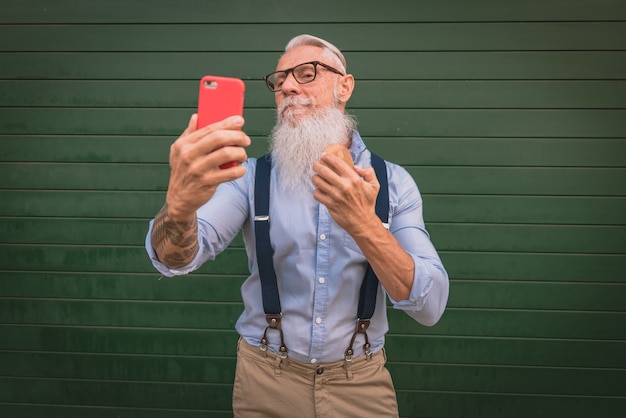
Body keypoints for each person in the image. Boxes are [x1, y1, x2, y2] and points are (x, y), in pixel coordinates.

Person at [146, 34, 449, 418]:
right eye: (280, 79)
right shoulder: (248, 178)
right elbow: (174, 258)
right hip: (266, 380)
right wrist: (179, 207)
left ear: (345, 85)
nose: (287, 86)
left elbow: (430, 305)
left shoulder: (395, 183)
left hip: (361, 385)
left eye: (307, 73)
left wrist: (362, 223)